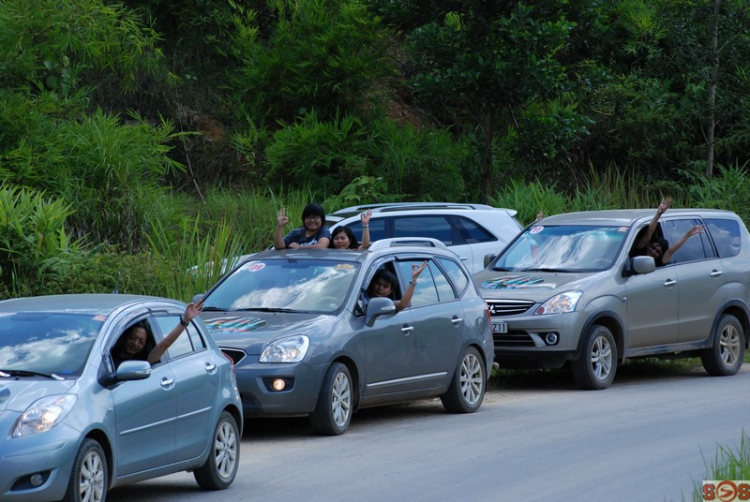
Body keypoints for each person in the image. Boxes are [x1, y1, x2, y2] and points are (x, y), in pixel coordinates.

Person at [112, 300, 204, 369]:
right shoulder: (109, 353)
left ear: (145, 345)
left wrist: (185, 321)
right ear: (125, 336)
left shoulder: (144, 359)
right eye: (132, 338)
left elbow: (165, 344)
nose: (135, 343)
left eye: (141, 341)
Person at [632, 198, 704, 266]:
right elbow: (648, 234)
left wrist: (688, 235)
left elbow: (671, 251)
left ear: (661, 255)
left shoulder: (660, 261)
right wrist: (658, 214)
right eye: (653, 247)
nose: (653, 251)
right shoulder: (641, 249)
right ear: (648, 245)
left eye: (658, 252)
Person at [363, 261, 428, 313]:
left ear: (390, 291)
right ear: (373, 283)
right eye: (378, 283)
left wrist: (414, 279)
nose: (380, 288)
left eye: (385, 286)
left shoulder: (386, 304)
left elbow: (403, 304)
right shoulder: (361, 296)